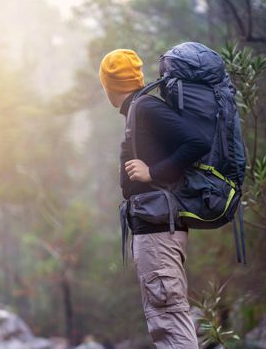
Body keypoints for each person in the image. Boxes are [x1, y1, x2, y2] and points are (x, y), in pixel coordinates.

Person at [99, 48, 212, 348]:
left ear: (109, 86)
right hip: (155, 230)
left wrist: (153, 172)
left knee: (169, 318)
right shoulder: (139, 110)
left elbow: (197, 142)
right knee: (167, 318)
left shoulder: (146, 107)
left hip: (159, 234)